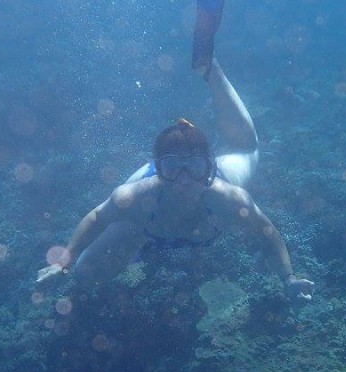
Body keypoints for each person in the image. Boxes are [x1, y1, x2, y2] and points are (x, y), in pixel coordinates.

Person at [36, 17, 313, 301]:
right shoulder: (133, 199)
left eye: (193, 168)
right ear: (158, 170)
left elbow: (266, 230)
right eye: (172, 168)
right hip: (143, 228)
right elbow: (97, 218)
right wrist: (64, 262)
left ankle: (209, 66)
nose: (183, 181)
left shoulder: (229, 198)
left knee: (245, 148)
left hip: (172, 208)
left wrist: (288, 277)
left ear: (209, 168)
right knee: (85, 276)